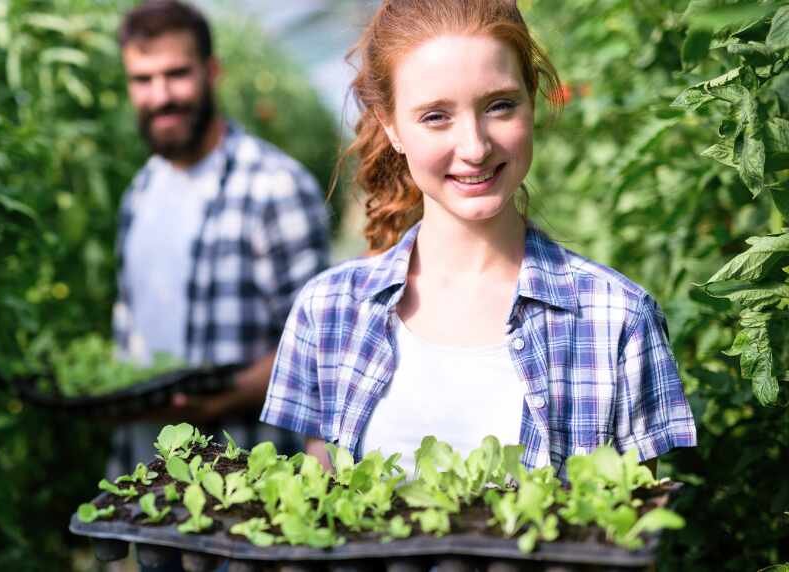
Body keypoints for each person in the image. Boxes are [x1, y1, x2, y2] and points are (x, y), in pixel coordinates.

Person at [260, 0, 696, 478]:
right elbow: (314, 525)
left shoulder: (616, 320)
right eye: (435, 117)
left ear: (533, 100)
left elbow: (630, 540)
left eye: (499, 106)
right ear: (391, 127)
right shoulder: (328, 312)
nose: (474, 147)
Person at [108, 0, 330, 477]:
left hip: (244, 475)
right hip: (149, 473)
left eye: (177, 74)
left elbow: (316, 346)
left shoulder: (274, 186)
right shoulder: (139, 194)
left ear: (212, 72)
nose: (160, 95)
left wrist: (220, 400)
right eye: (143, 80)